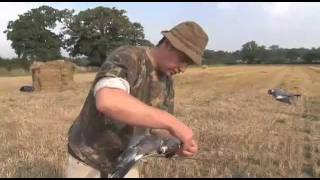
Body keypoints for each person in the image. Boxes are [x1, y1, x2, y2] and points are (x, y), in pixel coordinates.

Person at [66, 21, 209, 178]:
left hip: (127, 160)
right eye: (183, 60)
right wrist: (172, 122)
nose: (183, 68)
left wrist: (176, 143)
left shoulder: (166, 81)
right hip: (88, 158)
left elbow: (158, 128)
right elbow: (107, 101)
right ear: (169, 44)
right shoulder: (128, 57)